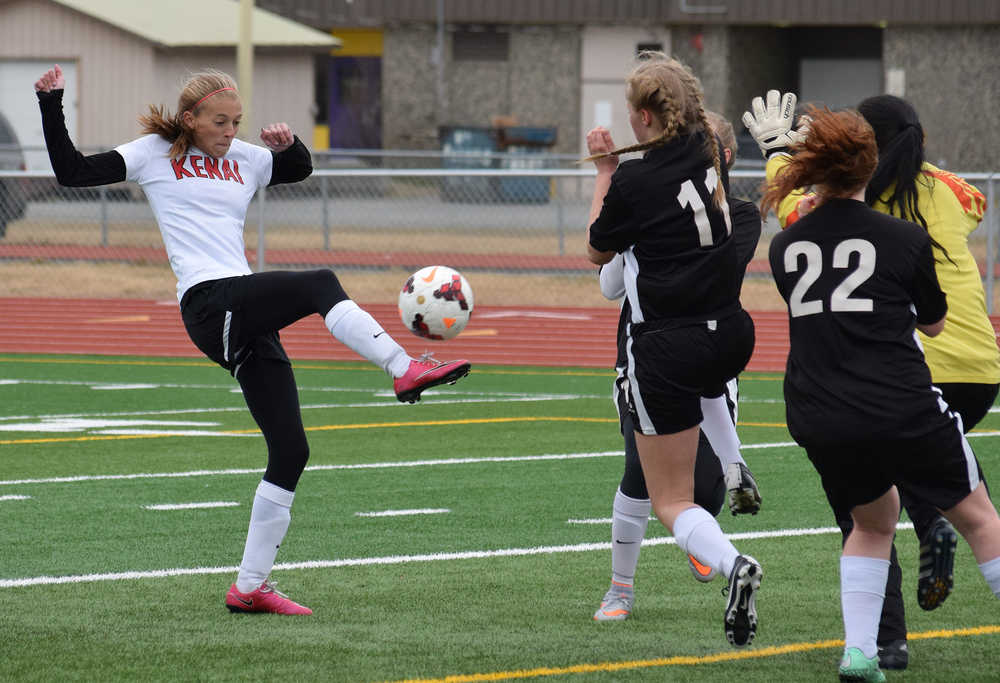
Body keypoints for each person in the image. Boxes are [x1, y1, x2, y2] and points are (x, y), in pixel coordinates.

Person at [34, 64, 471, 615]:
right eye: (219, 121)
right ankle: (403, 367)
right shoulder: (153, 153)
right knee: (319, 283)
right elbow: (72, 172)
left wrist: (288, 146)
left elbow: (297, 169)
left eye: (237, 121)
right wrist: (51, 102)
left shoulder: (243, 157)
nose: (229, 130)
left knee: (291, 450)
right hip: (208, 302)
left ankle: (249, 587)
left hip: (242, 310)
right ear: (189, 118)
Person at [746, 90, 999, 669]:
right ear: (871, 166)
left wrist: (783, 154)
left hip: (819, 408)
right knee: (981, 517)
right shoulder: (912, 232)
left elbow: (808, 250)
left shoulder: (787, 245)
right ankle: (932, 516)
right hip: (902, 396)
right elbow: (933, 323)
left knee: (867, 524)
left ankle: (862, 653)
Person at [585, 52, 762, 647]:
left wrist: (609, 171)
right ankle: (736, 462)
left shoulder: (638, 179)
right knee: (703, 391)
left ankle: (733, 562)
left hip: (665, 343)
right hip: (730, 335)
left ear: (644, 116)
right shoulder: (706, 158)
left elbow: (598, 259)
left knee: (672, 500)